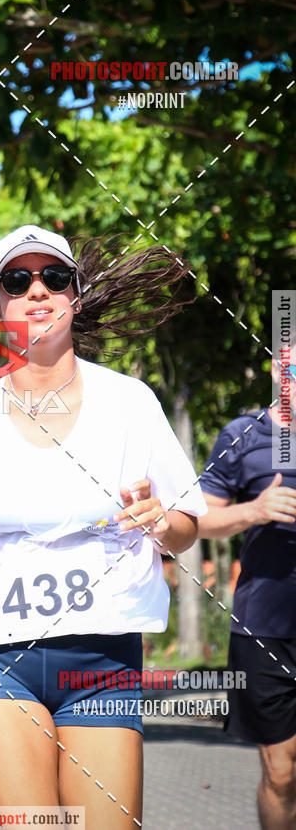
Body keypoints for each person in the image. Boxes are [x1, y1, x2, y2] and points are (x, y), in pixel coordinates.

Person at [0, 225, 208, 828]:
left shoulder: (130, 401)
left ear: (75, 293)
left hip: (103, 656)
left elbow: (187, 522)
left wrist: (160, 526)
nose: (37, 290)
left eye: (54, 278)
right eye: (17, 281)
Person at [198, 343, 296, 830]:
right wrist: (255, 511)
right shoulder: (242, 435)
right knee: (281, 771)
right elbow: (198, 520)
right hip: (264, 629)